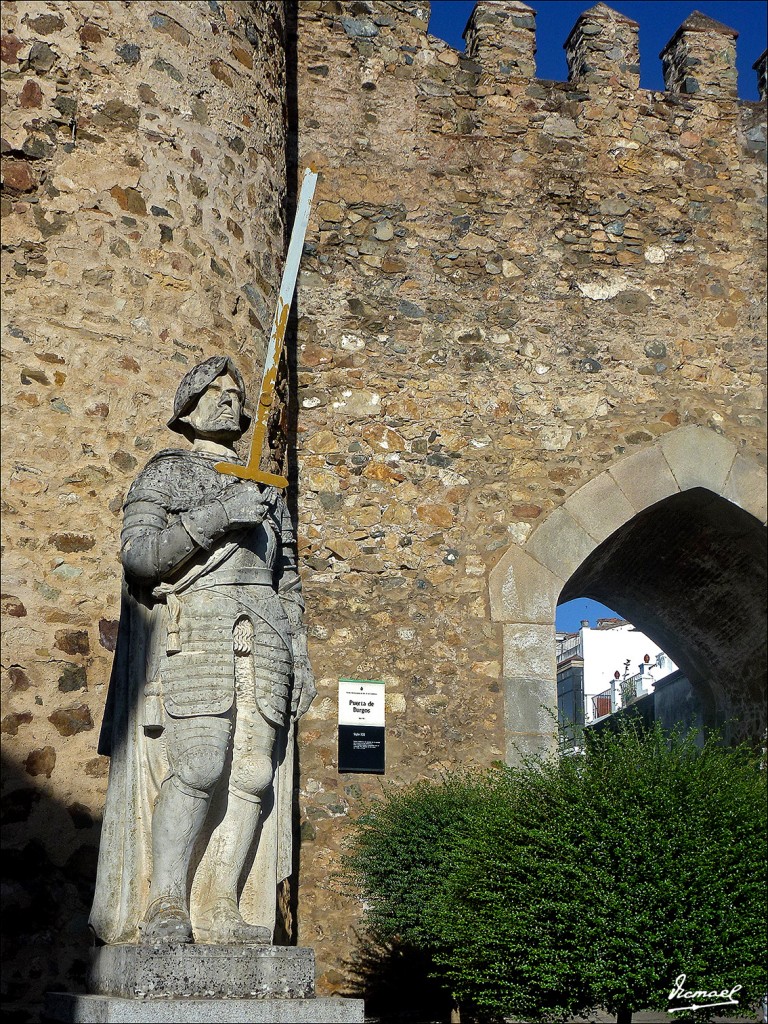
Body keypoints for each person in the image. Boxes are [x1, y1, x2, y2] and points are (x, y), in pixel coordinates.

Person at [89, 355, 315, 945]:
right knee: (198, 764)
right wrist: (219, 516)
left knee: (253, 774)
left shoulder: (268, 493)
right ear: (187, 409)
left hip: (264, 636)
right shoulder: (167, 473)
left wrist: (302, 653)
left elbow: (286, 583)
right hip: (201, 624)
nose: (227, 400)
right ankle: (165, 903)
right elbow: (140, 556)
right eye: (212, 391)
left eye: (234, 393)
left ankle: (219, 907)